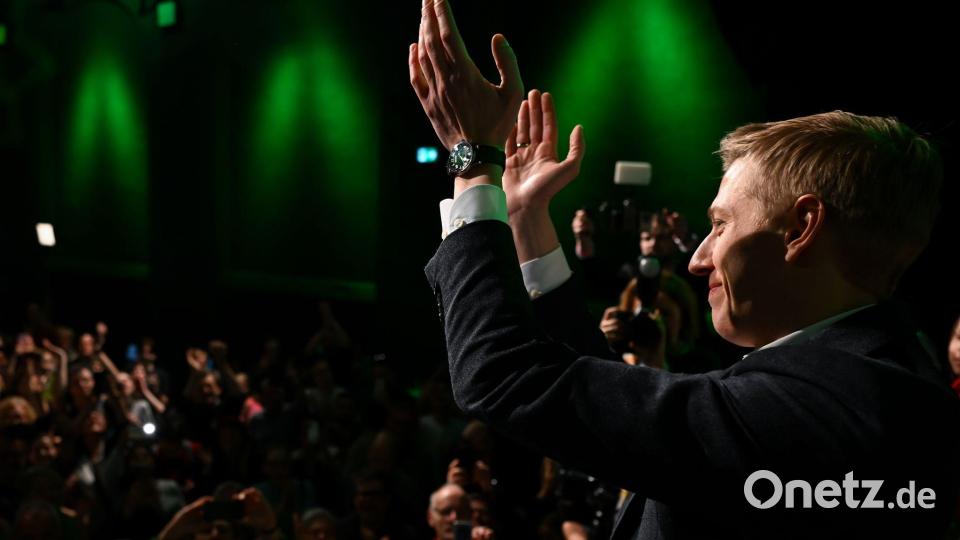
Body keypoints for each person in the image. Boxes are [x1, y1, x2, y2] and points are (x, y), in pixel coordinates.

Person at [408, 1, 960, 538]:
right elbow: (629, 418)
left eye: (720, 226)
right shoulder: (866, 386)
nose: (697, 259)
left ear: (801, 228)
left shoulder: (831, 407)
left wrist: (472, 160)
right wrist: (525, 217)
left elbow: (507, 376)